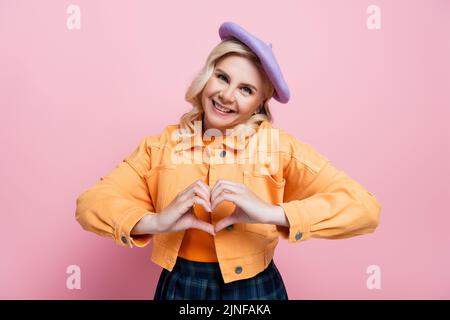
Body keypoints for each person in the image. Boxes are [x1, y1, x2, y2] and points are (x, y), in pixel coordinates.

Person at [75, 21, 381, 300]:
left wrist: (271, 213)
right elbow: (90, 204)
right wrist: (156, 222)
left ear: (260, 102)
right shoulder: (161, 146)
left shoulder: (278, 148)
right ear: (207, 77)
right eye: (222, 77)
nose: (227, 96)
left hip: (255, 291)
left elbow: (365, 208)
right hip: (180, 288)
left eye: (246, 89)